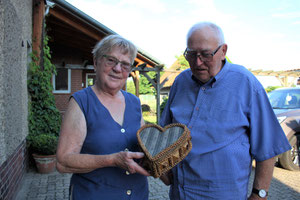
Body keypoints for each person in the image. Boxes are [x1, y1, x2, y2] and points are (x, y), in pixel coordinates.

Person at [159, 22, 291, 200]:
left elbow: (268, 147)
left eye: (206, 55)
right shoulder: (180, 82)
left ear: (223, 51)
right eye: (191, 54)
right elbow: (164, 135)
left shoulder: (245, 83)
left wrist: (259, 194)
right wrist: (161, 169)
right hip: (180, 194)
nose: (197, 62)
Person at [56, 34, 150, 200]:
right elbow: (63, 162)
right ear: (96, 62)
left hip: (138, 194)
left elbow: (145, 144)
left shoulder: (134, 102)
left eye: (125, 64)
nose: (117, 69)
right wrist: (111, 160)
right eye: (111, 60)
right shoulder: (81, 102)